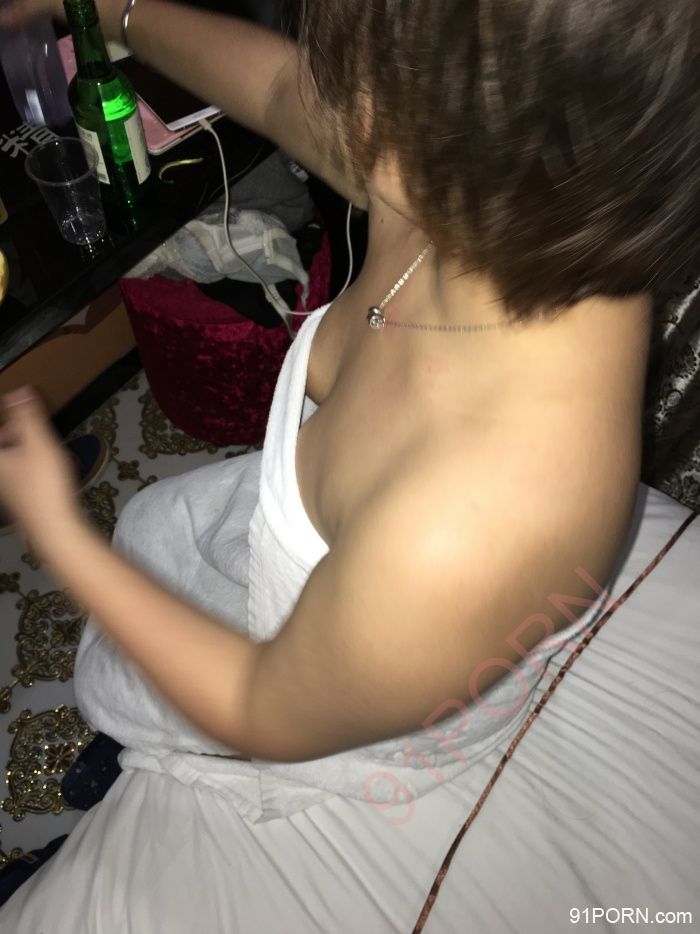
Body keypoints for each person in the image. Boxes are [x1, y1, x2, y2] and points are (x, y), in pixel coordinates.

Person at [0, 0, 698, 930]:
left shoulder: (480, 514)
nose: (329, 84)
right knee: (144, 642)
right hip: (294, 565)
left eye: (366, 62)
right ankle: (130, 724)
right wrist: (105, 7)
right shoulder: (518, 200)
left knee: (169, 705)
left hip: (297, 691)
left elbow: (264, 707)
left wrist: (58, 530)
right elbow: (279, 90)